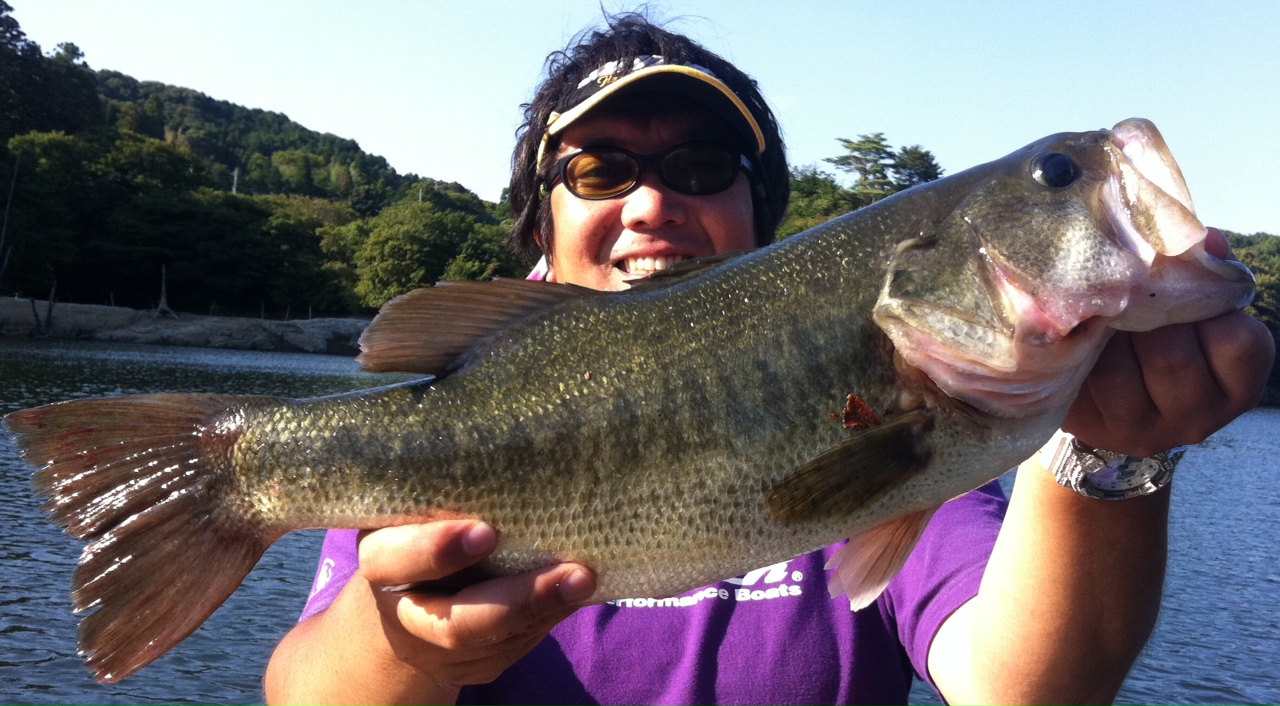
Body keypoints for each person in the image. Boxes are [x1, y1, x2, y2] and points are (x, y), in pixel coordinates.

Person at [264, 15, 1274, 706]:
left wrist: (1104, 461)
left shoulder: (912, 403)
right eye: (598, 169)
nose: (650, 203)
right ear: (541, 221)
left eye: (700, 169)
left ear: (762, 217)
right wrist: (401, 641)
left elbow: (1017, 684)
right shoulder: (470, 417)